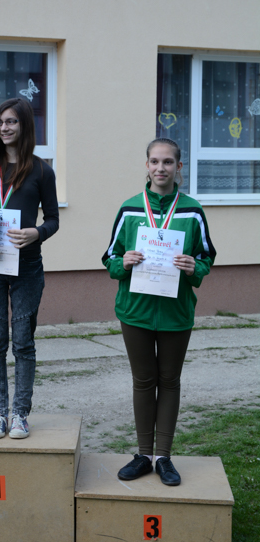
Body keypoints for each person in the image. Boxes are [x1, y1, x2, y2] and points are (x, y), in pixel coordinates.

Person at [102, 137, 216, 485]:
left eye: (168, 162)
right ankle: (143, 455)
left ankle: (163, 456)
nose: (160, 168)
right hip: (135, 311)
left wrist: (193, 268)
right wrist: (124, 262)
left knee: (169, 381)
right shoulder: (130, 209)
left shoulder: (192, 211)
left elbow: (206, 256)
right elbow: (109, 257)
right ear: (147, 165)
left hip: (175, 313)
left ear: (178, 167)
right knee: (143, 381)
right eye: (154, 161)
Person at [0, 98, 59, 439]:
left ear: (24, 126)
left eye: (11, 122)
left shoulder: (41, 171)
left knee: (22, 342)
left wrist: (37, 233)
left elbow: (53, 219)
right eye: (0, 122)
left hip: (27, 265)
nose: (4, 128)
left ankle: (20, 414)